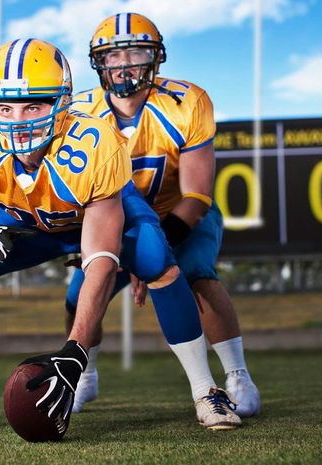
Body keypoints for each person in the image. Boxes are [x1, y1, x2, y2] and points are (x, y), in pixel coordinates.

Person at [0, 38, 240, 433]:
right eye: (5, 106)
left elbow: (99, 258)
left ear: (62, 104)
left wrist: (74, 349)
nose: (17, 119)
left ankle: (206, 391)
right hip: (30, 220)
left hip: (94, 215)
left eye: (34, 105)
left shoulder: (93, 143)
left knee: (152, 253)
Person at [64, 12, 260, 417]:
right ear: (98, 62)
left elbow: (197, 196)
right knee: (76, 296)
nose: (123, 65)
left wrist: (151, 253)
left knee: (196, 275)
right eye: (112, 56)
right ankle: (86, 377)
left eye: (134, 52)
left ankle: (237, 375)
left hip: (179, 214)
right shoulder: (78, 111)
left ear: (155, 58)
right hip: (114, 222)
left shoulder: (185, 102)